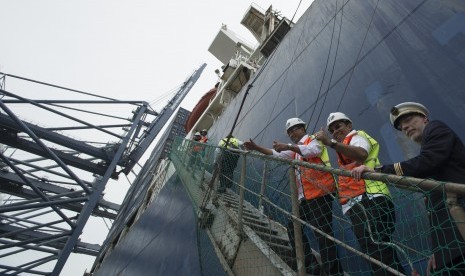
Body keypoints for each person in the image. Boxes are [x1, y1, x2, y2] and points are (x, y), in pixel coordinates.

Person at [352, 102, 465, 274]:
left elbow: (427, 162)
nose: (405, 127)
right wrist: (439, 249)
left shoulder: (436, 128)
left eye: (409, 119)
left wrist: (379, 170)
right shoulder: (431, 149)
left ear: (424, 118)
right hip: (451, 239)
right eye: (401, 126)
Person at [244, 118, 344, 276]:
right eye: (289, 132)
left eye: (294, 130)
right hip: (305, 198)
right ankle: (312, 264)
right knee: (293, 227)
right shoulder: (296, 150)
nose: (291, 134)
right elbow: (276, 154)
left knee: (323, 234)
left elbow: (314, 151)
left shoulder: (312, 140)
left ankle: (334, 272)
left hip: (321, 194)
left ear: (303, 128)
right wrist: (256, 147)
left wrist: (289, 146)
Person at [315, 112, 405, 276]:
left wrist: (330, 142)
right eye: (332, 130)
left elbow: (361, 154)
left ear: (349, 125)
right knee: (376, 249)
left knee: (376, 248)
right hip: (358, 201)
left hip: (368, 197)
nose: (335, 131)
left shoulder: (357, 136)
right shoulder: (344, 148)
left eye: (338, 126)